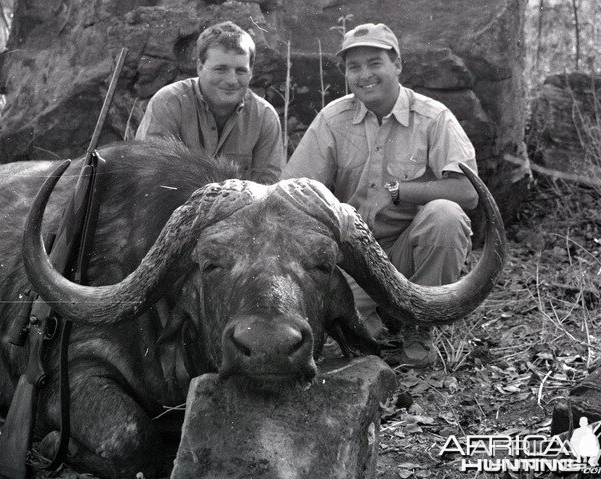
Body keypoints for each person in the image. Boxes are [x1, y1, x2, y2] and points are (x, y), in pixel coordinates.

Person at [282, 23, 478, 368]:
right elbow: (290, 195)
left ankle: (419, 323)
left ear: (397, 65)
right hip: (351, 259)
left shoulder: (433, 118)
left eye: (375, 63)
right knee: (334, 346)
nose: (364, 75)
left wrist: (399, 191)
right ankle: (374, 317)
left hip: (407, 249)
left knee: (446, 215)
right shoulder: (331, 119)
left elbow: (469, 192)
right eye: (354, 67)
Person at [135, 21, 284, 184]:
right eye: (221, 69)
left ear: (251, 73)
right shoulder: (168, 103)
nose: (232, 80)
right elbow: (149, 178)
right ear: (200, 67)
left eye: (241, 71)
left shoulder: (265, 117)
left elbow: (268, 189)